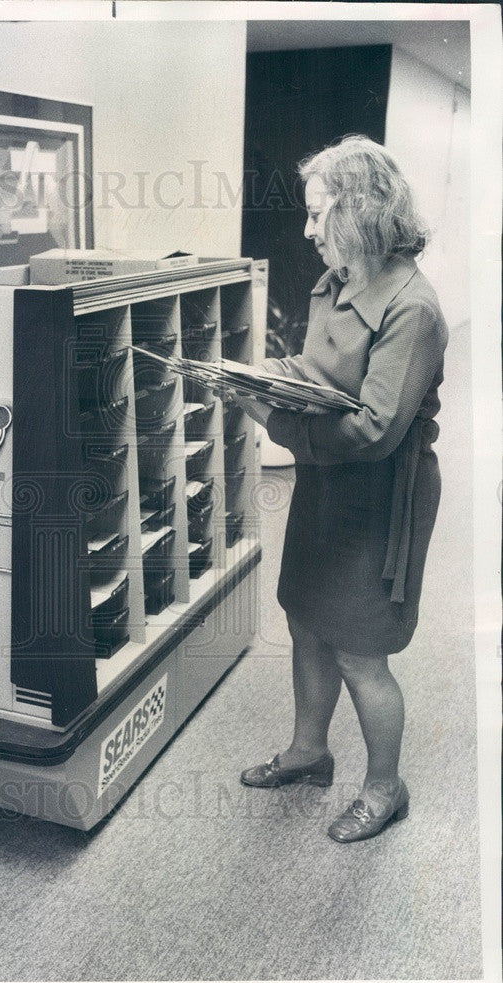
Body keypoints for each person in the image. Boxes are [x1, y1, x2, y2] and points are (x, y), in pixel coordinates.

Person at [228, 135, 448, 843]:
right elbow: (320, 370)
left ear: (360, 213)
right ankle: (309, 752)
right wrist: (262, 373)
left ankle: (386, 787)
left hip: (382, 495)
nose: (307, 229)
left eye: (319, 215)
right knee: (306, 621)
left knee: (360, 649)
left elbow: (378, 429)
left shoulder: (413, 307)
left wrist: (275, 421)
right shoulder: (337, 279)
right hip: (329, 484)